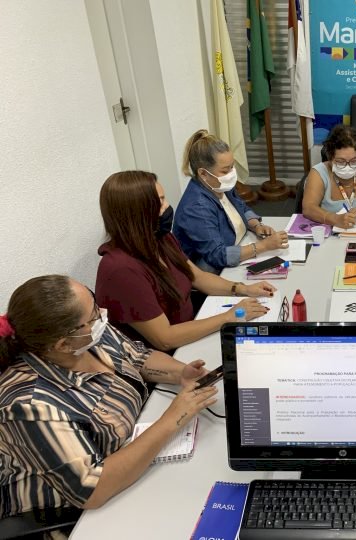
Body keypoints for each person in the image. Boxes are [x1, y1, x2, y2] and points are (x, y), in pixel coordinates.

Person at [0, 275, 219, 517]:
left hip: (132, 455)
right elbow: (91, 488)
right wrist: (173, 419)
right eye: (93, 315)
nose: (102, 314)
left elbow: (137, 357)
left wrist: (180, 373)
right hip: (76, 511)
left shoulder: (87, 338)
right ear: (63, 344)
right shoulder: (30, 405)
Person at [96, 171, 274, 352]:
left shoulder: (160, 239)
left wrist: (244, 289)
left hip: (192, 328)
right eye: (160, 202)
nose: (167, 206)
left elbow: (198, 277)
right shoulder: (121, 270)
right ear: (138, 212)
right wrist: (230, 316)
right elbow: (165, 339)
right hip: (169, 354)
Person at [173, 130, 289, 274]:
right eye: (225, 170)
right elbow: (217, 255)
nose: (231, 174)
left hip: (238, 247)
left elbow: (240, 206)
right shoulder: (197, 208)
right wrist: (263, 246)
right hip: (210, 270)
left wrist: (257, 225)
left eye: (232, 166)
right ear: (203, 173)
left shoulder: (219, 184)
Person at [302, 125, 356, 229]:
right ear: (330, 157)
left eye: (354, 161)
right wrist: (336, 219)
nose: (348, 166)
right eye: (341, 162)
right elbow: (308, 208)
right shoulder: (318, 173)